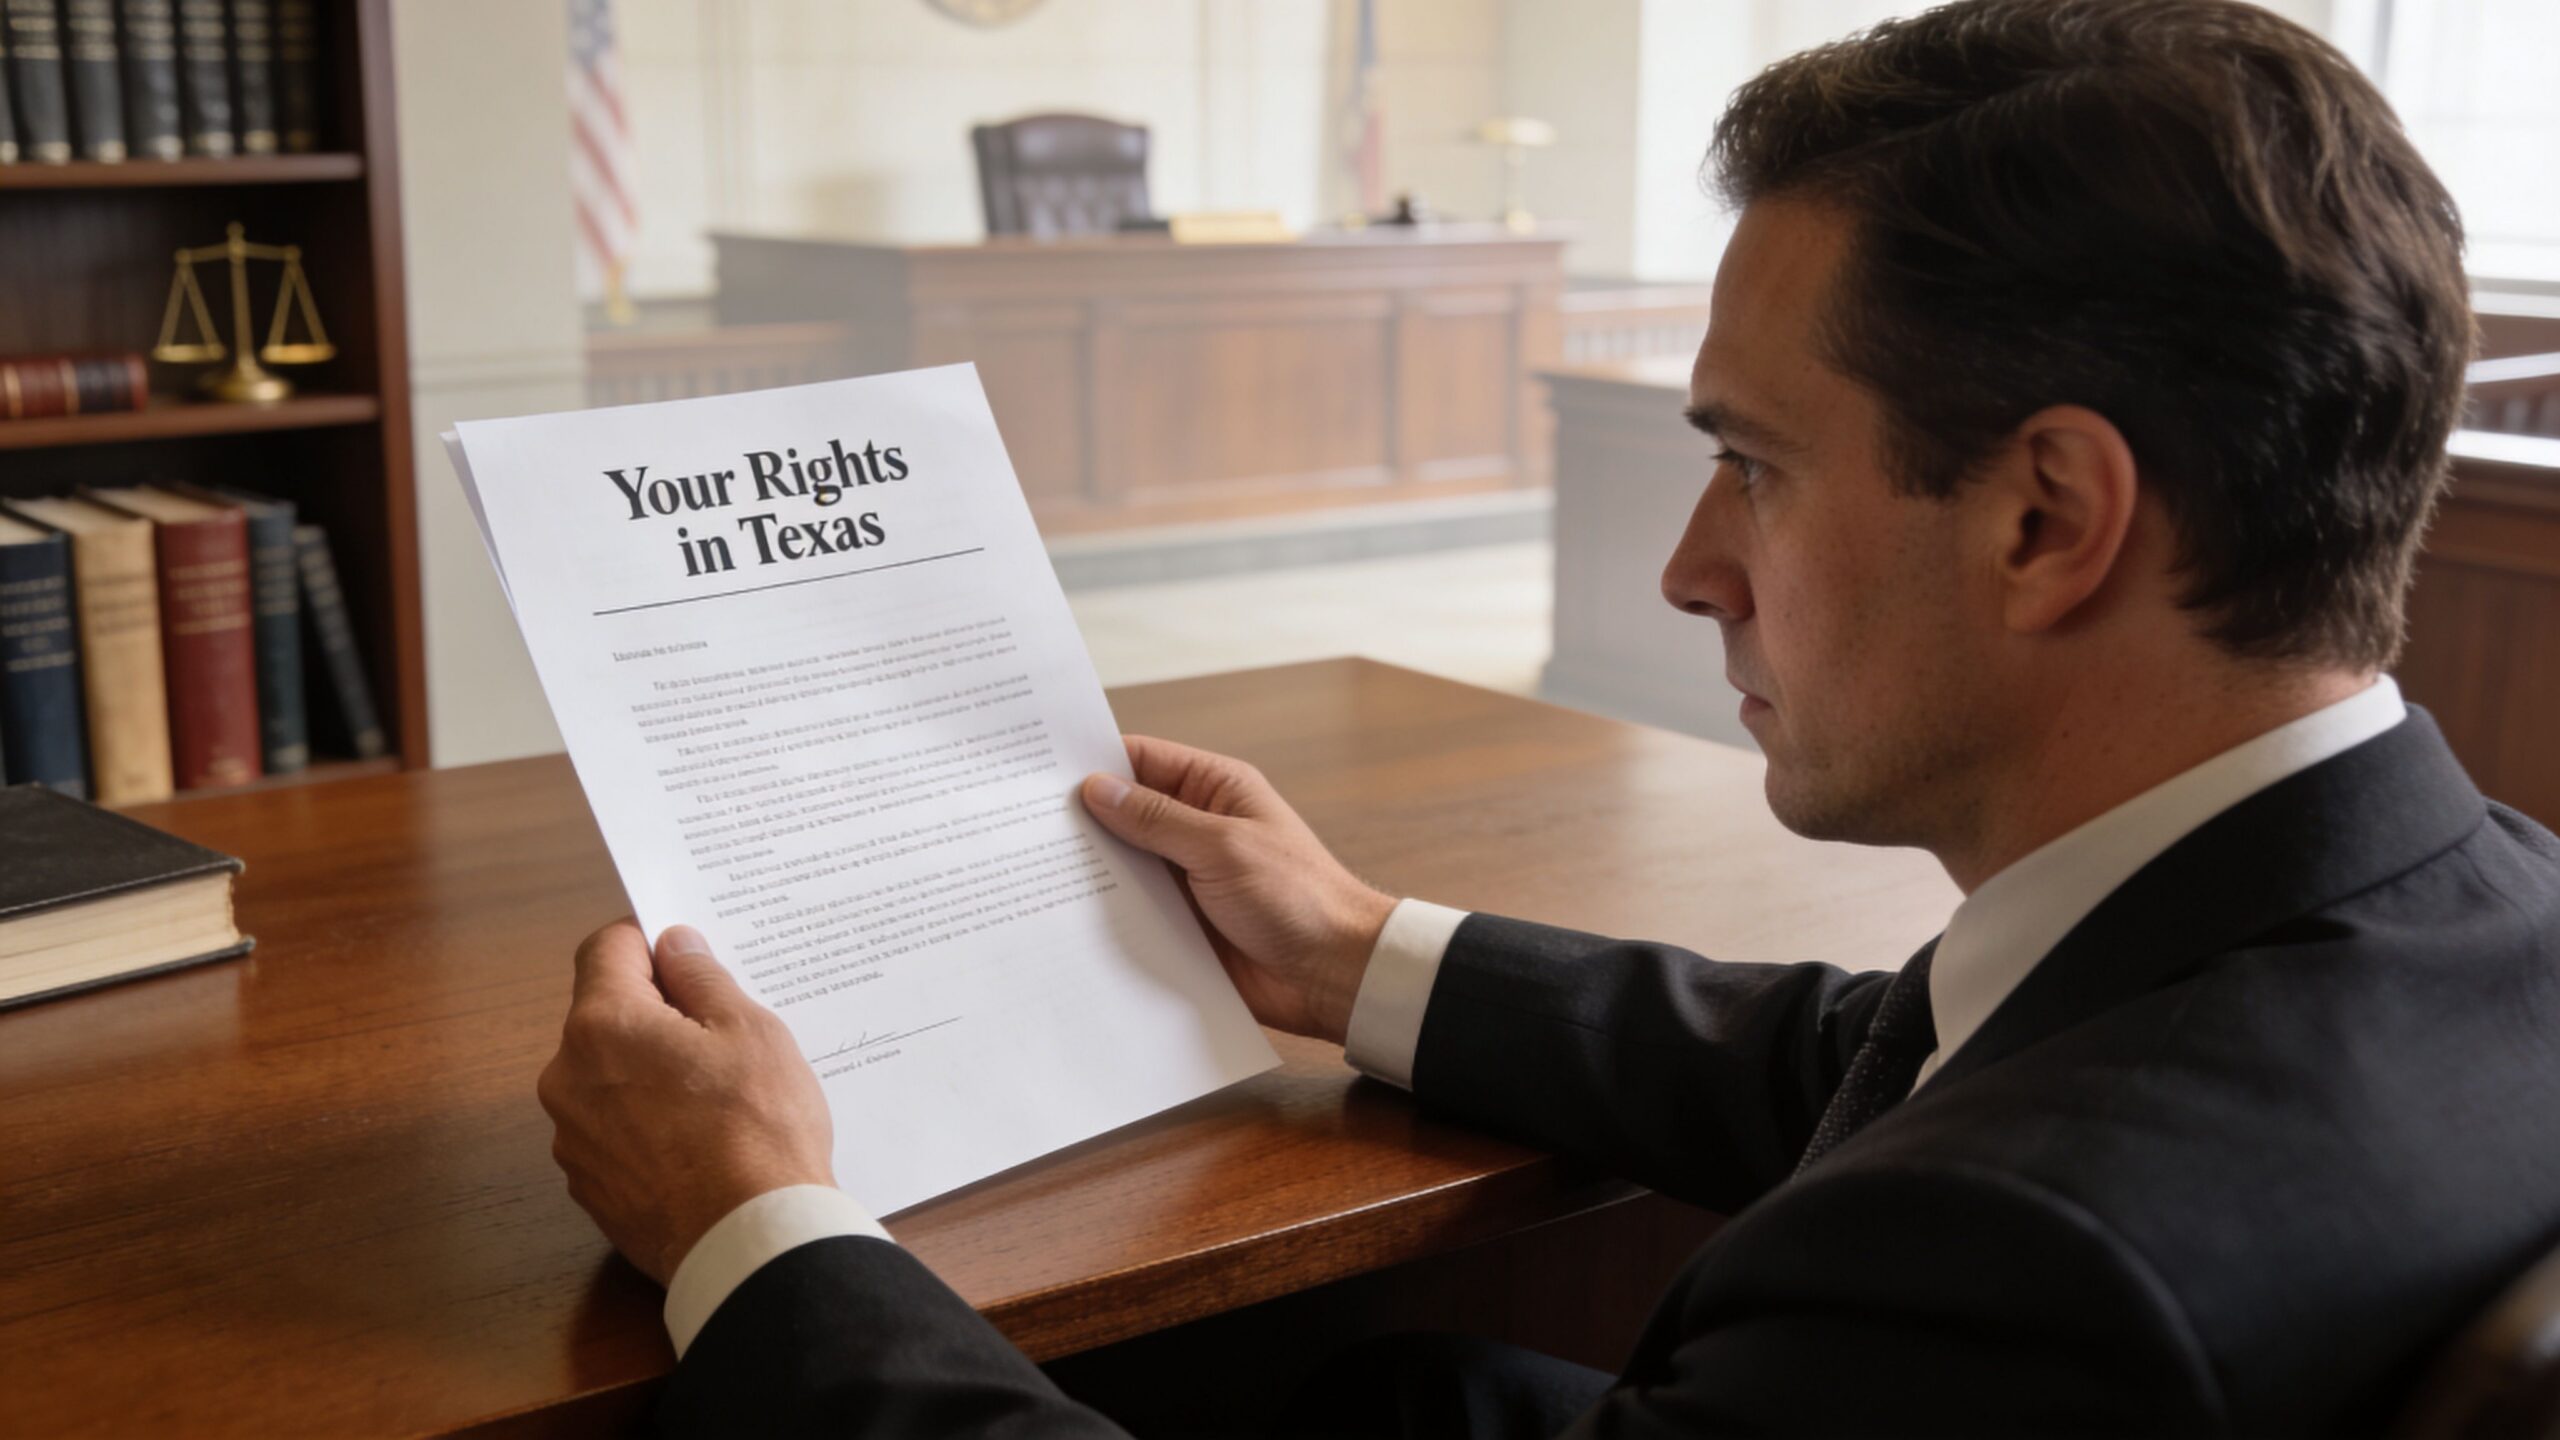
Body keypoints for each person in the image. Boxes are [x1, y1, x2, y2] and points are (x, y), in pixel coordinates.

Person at [535, 1, 2560, 1434]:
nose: (1688, 567)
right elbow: (1883, 1058)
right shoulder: (2469, 912)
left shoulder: (2018, 1265)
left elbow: (1968, 1173)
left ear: (2045, 517)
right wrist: (1350, 952)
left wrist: (756, 1229)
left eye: (1749, 465)